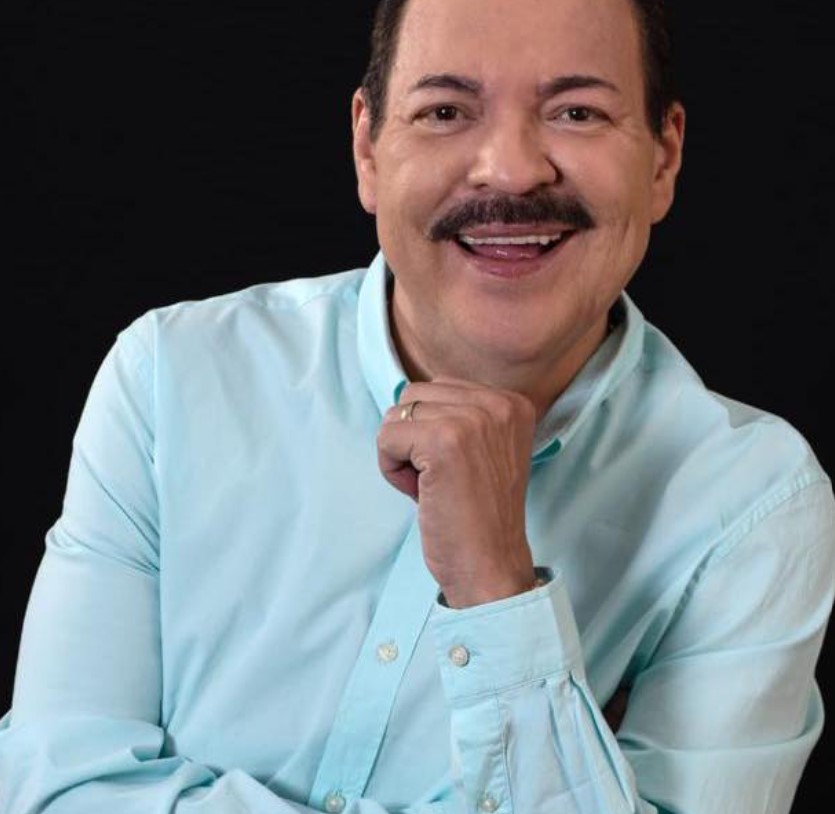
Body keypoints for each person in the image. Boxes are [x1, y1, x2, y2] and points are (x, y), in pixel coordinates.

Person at [1, 0, 833, 811]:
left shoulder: (751, 504)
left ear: (662, 159)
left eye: (576, 112)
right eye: (445, 111)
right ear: (367, 147)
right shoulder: (175, 376)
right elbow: (52, 789)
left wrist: (496, 588)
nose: (510, 171)